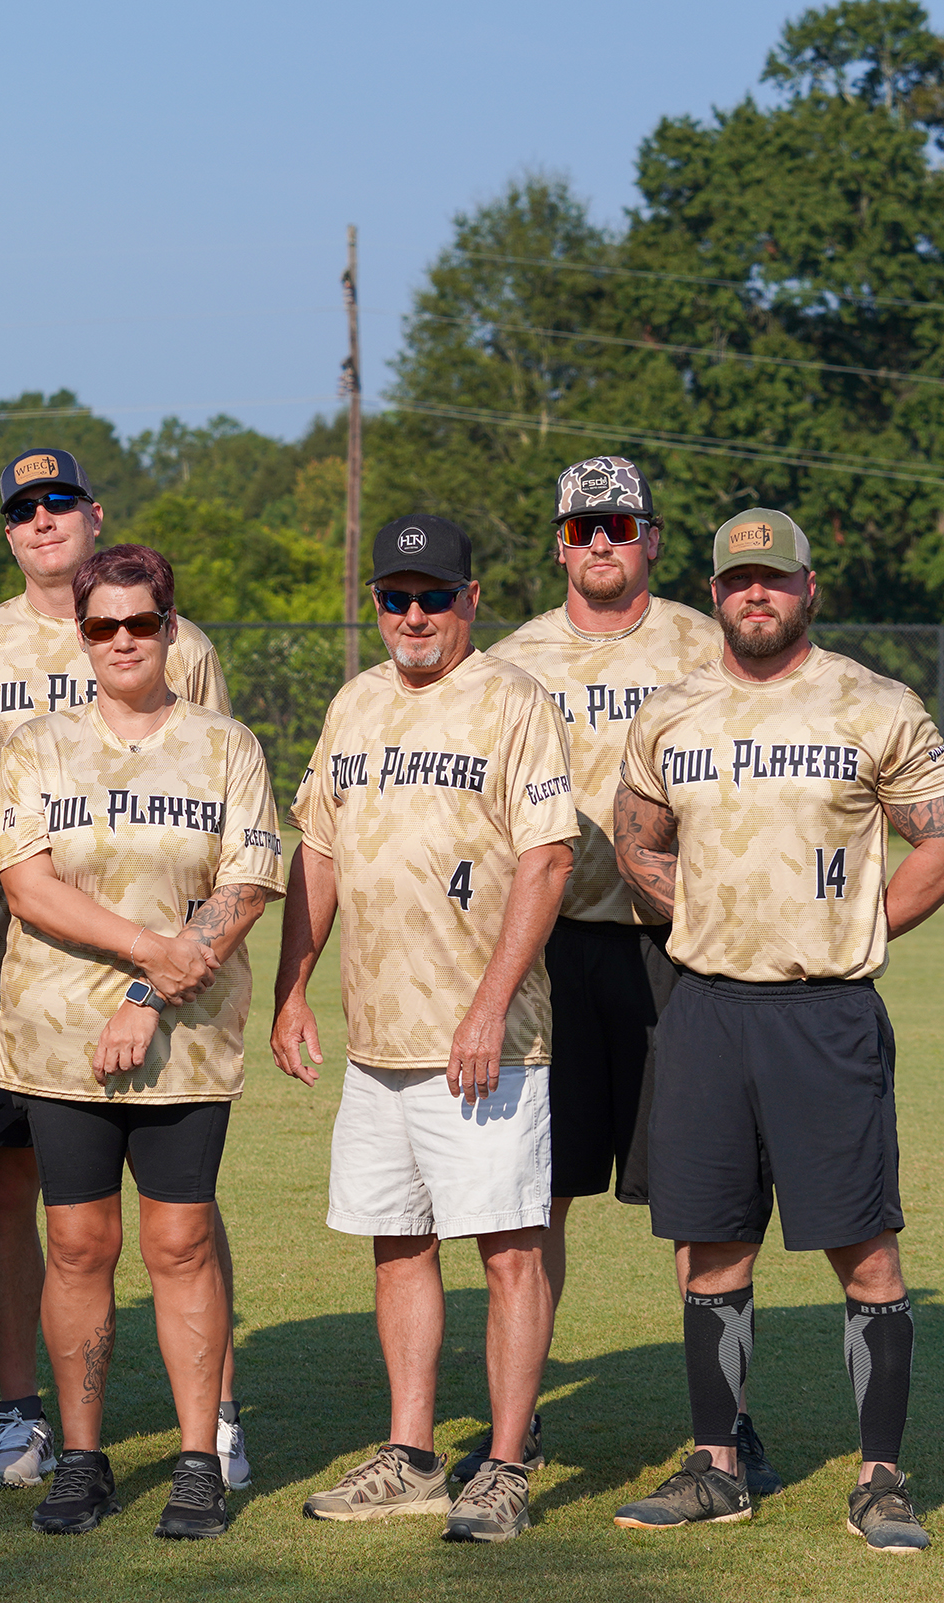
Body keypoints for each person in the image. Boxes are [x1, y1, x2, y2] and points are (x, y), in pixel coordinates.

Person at [608, 509, 944, 1555]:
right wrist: (706, 909)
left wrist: (851, 925)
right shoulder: (670, 713)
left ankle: (881, 1477)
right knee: (710, 1244)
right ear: (714, 592)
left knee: (863, 1251)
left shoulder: (872, 702)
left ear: (809, 588)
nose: (752, 595)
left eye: (772, 579)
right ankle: (715, 1467)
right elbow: (637, 841)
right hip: (707, 1009)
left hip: (825, 1012)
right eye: (734, 581)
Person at [0, 446, 247, 1491]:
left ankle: (217, 1416)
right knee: (19, 1187)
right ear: (8, 529)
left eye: (60, 499)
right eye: (24, 507)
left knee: (181, 1217)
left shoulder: (189, 656)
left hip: (177, 985)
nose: (44, 517)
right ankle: (28, 1414)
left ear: (93, 515)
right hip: (6, 968)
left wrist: (161, 971)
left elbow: (226, 848)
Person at [271, 515, 576, 1544]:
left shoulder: (510, 700)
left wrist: (487, 1006)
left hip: (480, 1040)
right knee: (397, 1243)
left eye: (432, 596)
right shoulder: (354, 702)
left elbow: (546, 860)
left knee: (505, 1249)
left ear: (469, 600)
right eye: (394, 596)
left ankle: (503, 1460)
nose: (411, 615)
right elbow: (316, 852)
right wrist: (291, 987)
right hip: (376, 1043)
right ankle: (409, 1453)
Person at [0, 545, 284, 1540]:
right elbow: (27, 883)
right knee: (76, 1241)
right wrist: (149, 955)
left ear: (170, 626)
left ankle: (199, 1456)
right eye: (102, 624)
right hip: (59, 1033)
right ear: (81, 632)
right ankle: (82, 1457)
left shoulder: (226, 745)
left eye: (140, 622)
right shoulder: (36, 747)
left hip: (185, 1037)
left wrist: (151, 993)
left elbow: (244, 886)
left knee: (179, 1238)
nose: (122, 640)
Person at [480, 456, 748, 1484]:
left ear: (653, 536)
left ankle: (721, 1429)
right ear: (558, 541)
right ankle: (519, 1420)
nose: (601, 542)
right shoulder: (508, 661)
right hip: (545, 949)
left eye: (620, 525)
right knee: (530, 1198)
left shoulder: (704, 643)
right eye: (583, 527)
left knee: (700, 1194)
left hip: (675, 948)